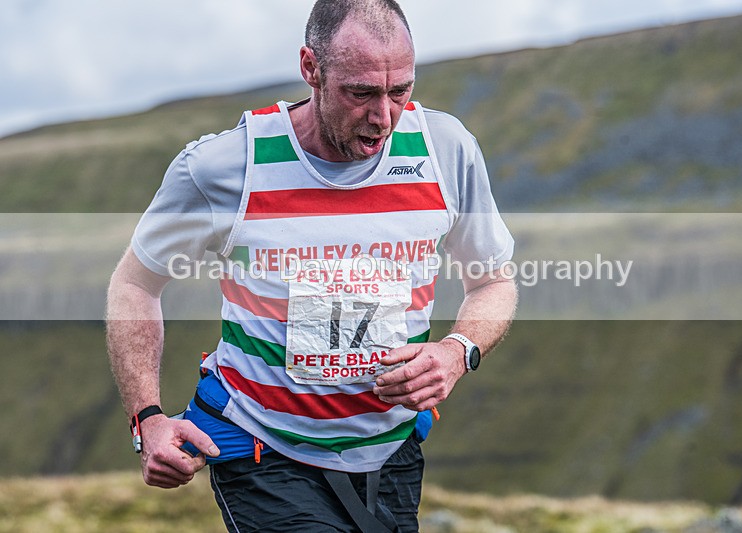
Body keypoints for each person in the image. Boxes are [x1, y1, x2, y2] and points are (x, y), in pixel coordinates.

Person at [106, 0, 517, 531]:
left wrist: (457, 352)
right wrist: (148, 419)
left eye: (401, 91)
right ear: (311, 69)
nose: (384, 116)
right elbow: (134, 284)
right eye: (361, 93)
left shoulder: (446, 150)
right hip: (260, 448)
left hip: (390, 454)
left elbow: (494, 281)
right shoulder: (225, 167)